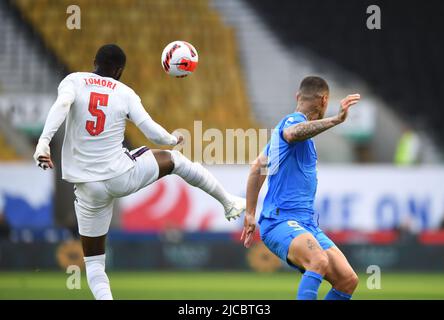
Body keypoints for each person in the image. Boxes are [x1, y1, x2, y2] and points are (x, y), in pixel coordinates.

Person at [33, 44, 245, 300]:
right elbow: (151, 131)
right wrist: (172, 137)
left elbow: (62, 104)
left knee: (94, 264)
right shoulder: (125, 93)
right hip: (121, 176)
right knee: (175, 160)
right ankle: (228, 201)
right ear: (120, 70)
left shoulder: (74, 81)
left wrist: (44, 142)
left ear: (94, 62)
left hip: (87, 188)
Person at [241, 76, 360, 300]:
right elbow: (293, 132)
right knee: (318, 260)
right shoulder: (291, 122)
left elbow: (258, 167)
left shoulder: (283, 139)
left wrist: (249, 213)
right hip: (281, 221)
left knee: (347, 280)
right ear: (325, 100)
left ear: (298, 96)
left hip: (305, 224)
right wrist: (336, 120)